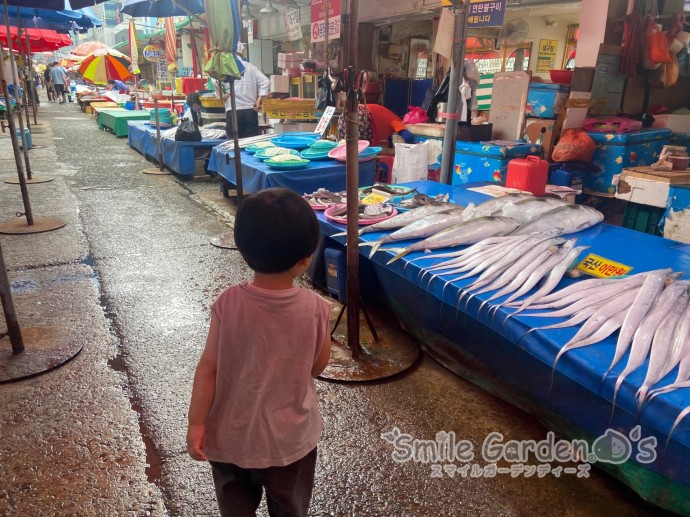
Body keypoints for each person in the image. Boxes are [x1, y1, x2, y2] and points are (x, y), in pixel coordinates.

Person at [187, 188, 331, 517]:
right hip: (289, 443)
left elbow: (208, 367)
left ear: (243, 248)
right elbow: (317, 367)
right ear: (306, 258)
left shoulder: (228, 303)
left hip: (230, 438)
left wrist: (196, 423)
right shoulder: (316, 309)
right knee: (289, 505)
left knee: (235, 505)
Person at [215, 42, 270, 139]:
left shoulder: (226, 66)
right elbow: (266, 81)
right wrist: (259, 100)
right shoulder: (251, 67)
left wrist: (222, 95)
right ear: (241, 52)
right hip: (250, 111)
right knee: (250, 142)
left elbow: (215, 81)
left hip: (233, 111)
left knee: (233, 143)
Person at [337, 103, 416, 146]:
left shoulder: (386, 117)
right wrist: (415, 145)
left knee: (343, 145)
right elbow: (407, 135)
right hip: (362, 118)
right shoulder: (395, 120)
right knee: (362, 150)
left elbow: (389, 140)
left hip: (346, 114)